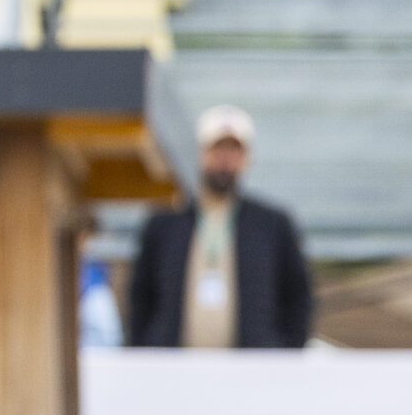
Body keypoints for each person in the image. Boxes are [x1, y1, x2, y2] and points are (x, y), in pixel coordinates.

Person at [125, 105, 314, 349]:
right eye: (218, 149)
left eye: (234, 150)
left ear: (247, 158)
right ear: (201, 153)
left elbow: (297, 297)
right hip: (174, 368)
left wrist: (280, 353)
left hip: (251, 371)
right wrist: (146, 349)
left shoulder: (272, 225)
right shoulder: (165, 222)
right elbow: (141, 297)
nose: (225, 159)